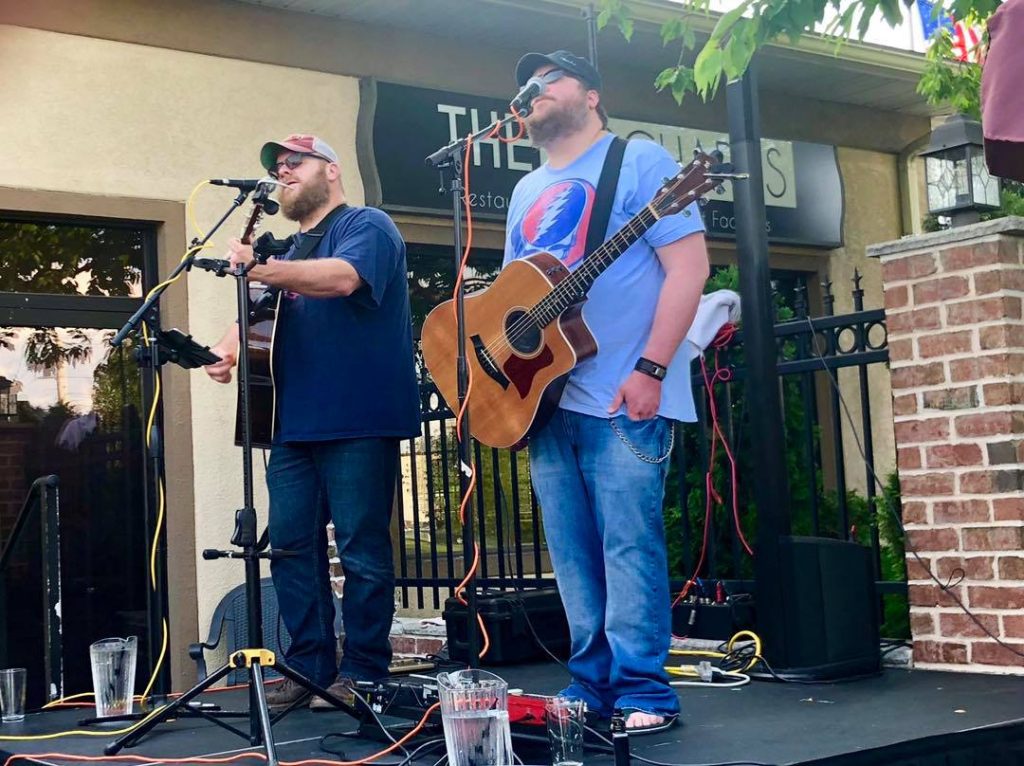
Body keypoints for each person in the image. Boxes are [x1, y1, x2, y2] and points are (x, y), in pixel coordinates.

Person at [503, 51, 710, 733]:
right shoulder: (526, 191)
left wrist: (651, 368)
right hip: (545, 402)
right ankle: (590, 685)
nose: (532, 91)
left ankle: (645, 691)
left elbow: (689, 269)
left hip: (623, 394)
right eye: (525, 85)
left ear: (592, 95)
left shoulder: (640, 163)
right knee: (570, 556)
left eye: (549, 79)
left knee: (629, 546)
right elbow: (513, 300)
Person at [204, 134, 420, 709]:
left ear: (331, 169)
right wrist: (222, 353)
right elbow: (255, 313)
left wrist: (261, 267)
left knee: (361, 549)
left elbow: (343, 278)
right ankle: (309, 670)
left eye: (293, 162)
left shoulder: (366, 225)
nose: (282, 173)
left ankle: (366, 671)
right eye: (277, 167)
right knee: (293, 549)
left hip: (358, 418)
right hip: (291, 423)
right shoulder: (286, 250)